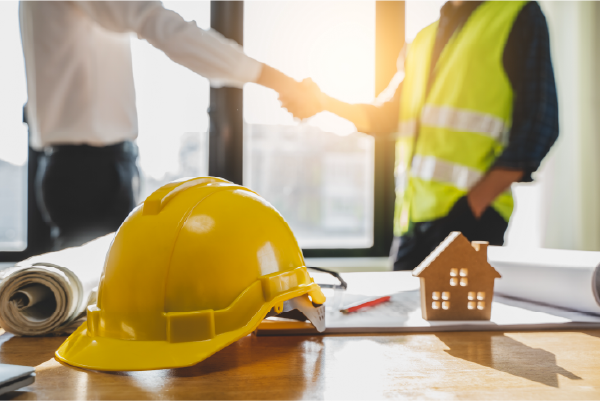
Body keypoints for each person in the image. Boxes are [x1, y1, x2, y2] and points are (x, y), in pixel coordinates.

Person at [280, 0, 559, 270]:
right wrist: (324, 102)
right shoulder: (422, 40)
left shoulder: (518, 15)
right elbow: (385, 116)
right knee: (398, 315)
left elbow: (539, 126)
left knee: (458, 318)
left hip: (470, 219)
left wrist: (473, 206)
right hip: (411, 223)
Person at [20, 0, 311, 249]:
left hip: (75, 167)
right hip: (91, 172)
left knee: (92, 292)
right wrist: (280, 82)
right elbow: (164, 27)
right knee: (98, 295)